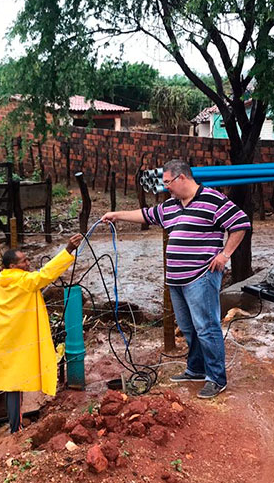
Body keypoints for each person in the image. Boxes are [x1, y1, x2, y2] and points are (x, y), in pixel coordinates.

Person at [101, 159, 250, 398]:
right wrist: (117, 215)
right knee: (189, 328)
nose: (166, 187)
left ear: (182, 178)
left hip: (201, 276)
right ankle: (196, 369)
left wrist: (225, 255)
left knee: (207, 327)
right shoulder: (171, 206)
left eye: (168, 182)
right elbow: (146, 215)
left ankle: (216, 378)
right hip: (176, 280)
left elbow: (240, 223)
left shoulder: (212, 199)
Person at [0, 233, 83, 432]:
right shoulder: (25, 282)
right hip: (15, 341)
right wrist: (68, 249)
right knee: (14, 385)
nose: (28, 263)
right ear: (12, 267)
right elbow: (47, 274)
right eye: (24, 261)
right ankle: (15, 429)